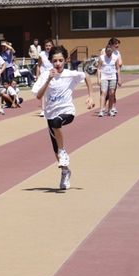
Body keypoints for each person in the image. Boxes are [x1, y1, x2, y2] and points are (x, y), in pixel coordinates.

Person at [32, 45, 94, 190]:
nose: (58, 64)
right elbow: (39, 96)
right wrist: (48, 80)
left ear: (65, 60)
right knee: (55, 146)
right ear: (50, 61)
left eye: (60, 60)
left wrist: (91, 96)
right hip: (50, 113)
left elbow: (86, 76)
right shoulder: (45, 75)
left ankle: (62, 152)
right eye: (54, 61)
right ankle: (65, 171)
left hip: (67, 112)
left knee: (57, 121)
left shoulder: (69, 74)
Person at [96, 44, 121, 117]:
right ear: (106, 51)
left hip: (113, 77)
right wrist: (98, 78)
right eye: (107, 52)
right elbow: (99, 68)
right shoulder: (102, 58)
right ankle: (101, 110)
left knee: (112, 93)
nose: (108, 54)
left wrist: (119, 78)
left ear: (112, 51)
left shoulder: (115, 58)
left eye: (110, 52)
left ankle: (110, 109)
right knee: (103, 92)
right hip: (104, 77)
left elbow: (118, 68)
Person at [36, 39, 54, 117]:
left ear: (52, 46)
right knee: (43, 92)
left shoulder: (55, 54)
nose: (48, 47)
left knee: (52, 92)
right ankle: (43, 110)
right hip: (43, 75)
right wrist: (37, 76)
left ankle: (52, 108)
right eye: (46, 46)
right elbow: (38, 65)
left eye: (49, 45)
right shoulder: (42, 54)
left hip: (52, 74)